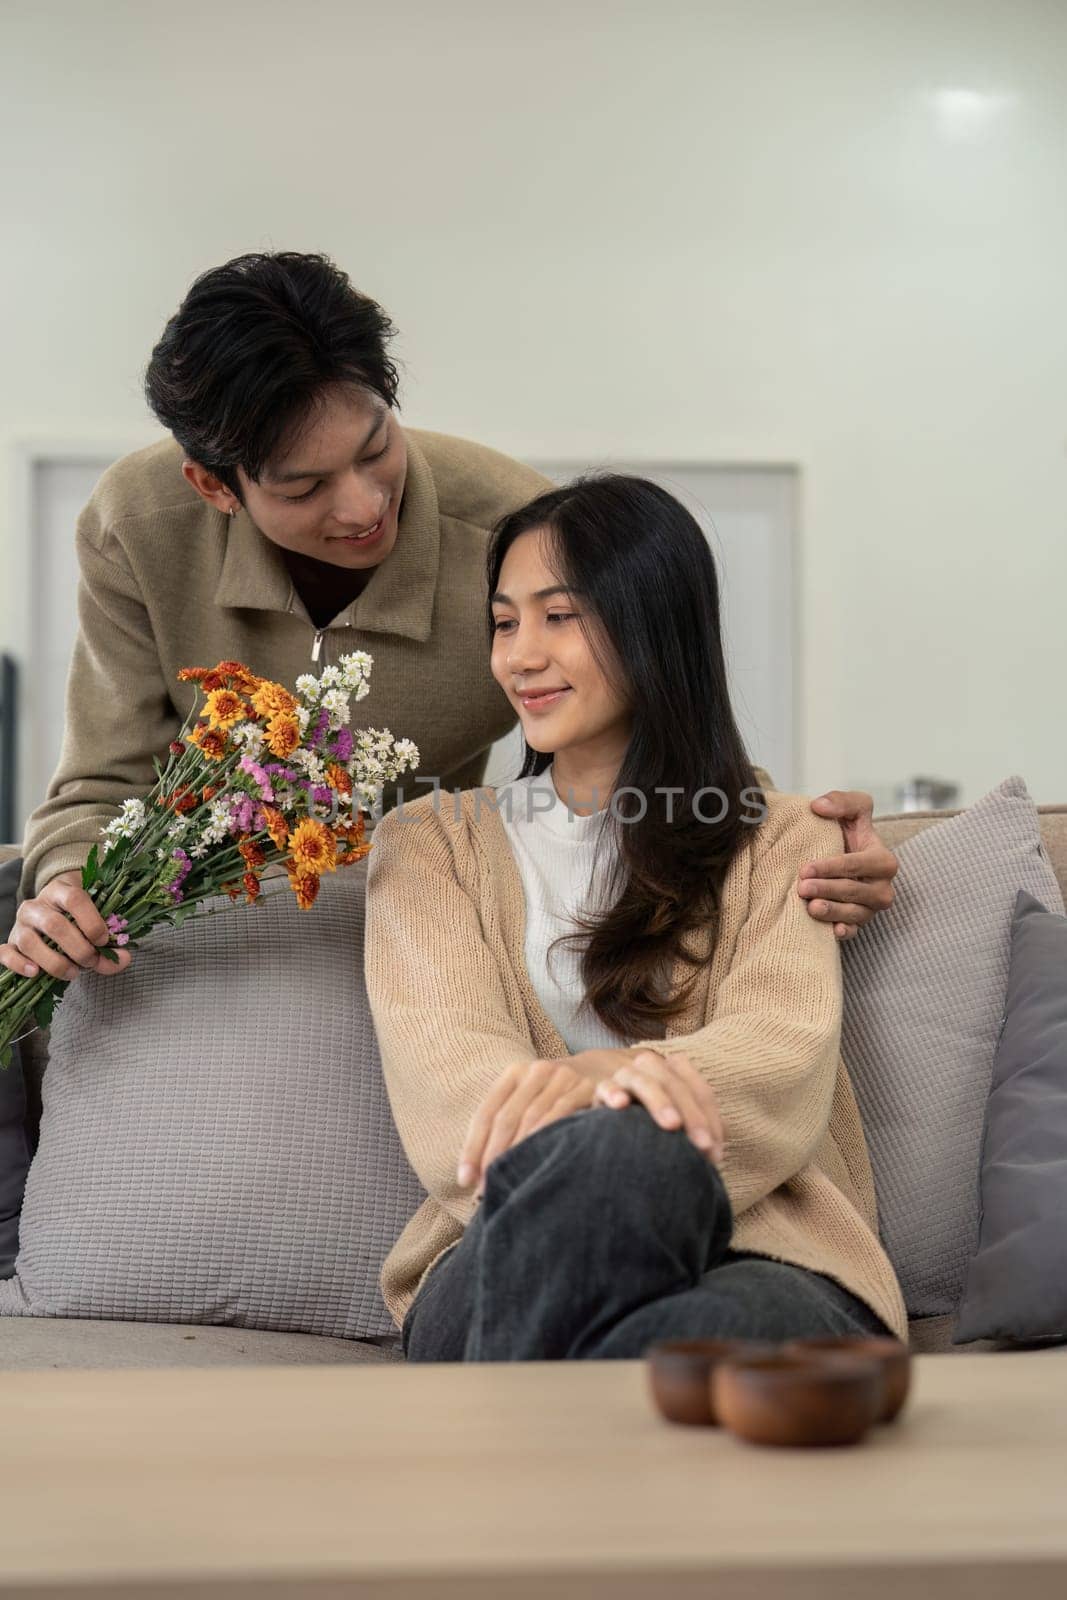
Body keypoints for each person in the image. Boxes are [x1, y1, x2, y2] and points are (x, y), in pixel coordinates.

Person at [2, 250, 896, 987]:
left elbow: (659, 730)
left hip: (422, 923)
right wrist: (71, 891)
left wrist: (789, 844)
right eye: (305, 487)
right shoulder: (136, 525)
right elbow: (98, 785)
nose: (361, 507)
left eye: (375, 448)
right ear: (213, 486)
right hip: (190, 933)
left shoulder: (518, 533)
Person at [363, 475, 908, 1360]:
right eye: (504, 622)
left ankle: (514, 1461)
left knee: (690, 1305)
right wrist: (614, 1113)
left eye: (559, 615)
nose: (520, 656)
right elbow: (453, 1091)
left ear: (654, 621)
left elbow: (780, 1053)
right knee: (625, 1158)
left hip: (765, 1249)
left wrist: (603, 1080)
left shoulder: (782, 840)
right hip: (502, 1243)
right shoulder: (429, 846)